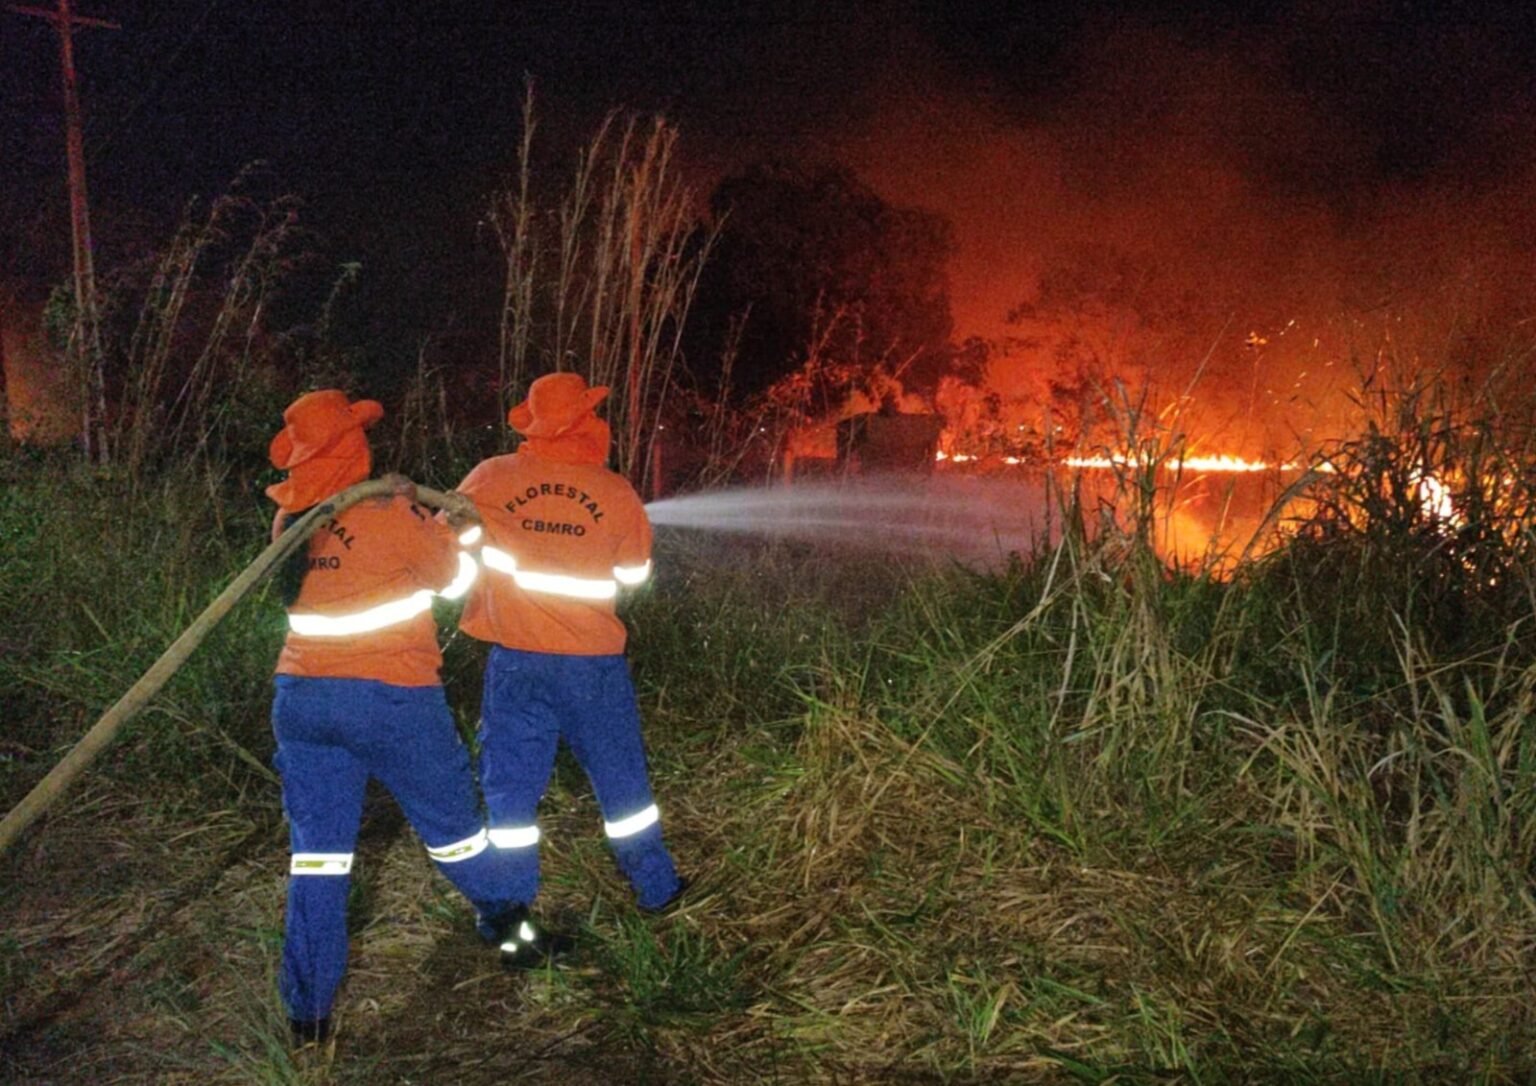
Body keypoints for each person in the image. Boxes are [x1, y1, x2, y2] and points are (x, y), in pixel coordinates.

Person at [264, 389, 512, 1045]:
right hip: (392, 699)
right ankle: (509, 919)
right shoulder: (389, 515)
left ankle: (307, 1013)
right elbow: (453, 582)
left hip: (302, 701)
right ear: (353, 444)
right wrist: (445, 524)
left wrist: (405, 507)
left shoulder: (290, 522)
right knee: (455, 834)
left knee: (318, 859)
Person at [454, 372, 685, 963]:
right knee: (622, 782)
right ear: (587, 421)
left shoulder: (490, 477)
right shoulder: (614, 491)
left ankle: (509, 914)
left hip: (515, 662)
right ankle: (658, 889)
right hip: (591, 666)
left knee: (510, 792)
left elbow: (445, 546)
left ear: (533, 422)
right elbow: (633, 577)